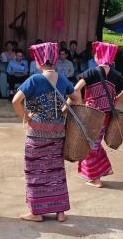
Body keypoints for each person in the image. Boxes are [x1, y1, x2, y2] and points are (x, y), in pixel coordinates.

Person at [12, 42, 79, 222]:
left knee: (34, 169)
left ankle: (36, 212)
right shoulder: (63, 78)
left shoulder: (34, 79)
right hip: (58, 131)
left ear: (40, 60)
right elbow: (76, 98)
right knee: (56, 169)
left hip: (37, 132)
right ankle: (60, 212)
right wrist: (64, 111)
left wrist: (27, 117)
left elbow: (15, 101)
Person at [74, 41, 123, 188]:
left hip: (91, 115)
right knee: (95, 143)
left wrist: (80, 105)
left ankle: (95, 178)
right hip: (106, 115)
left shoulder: (91, 72)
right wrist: (116, 99)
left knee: (89, 145)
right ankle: (104, 169)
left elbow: (76, 90)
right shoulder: (116, 75)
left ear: (98, 56)